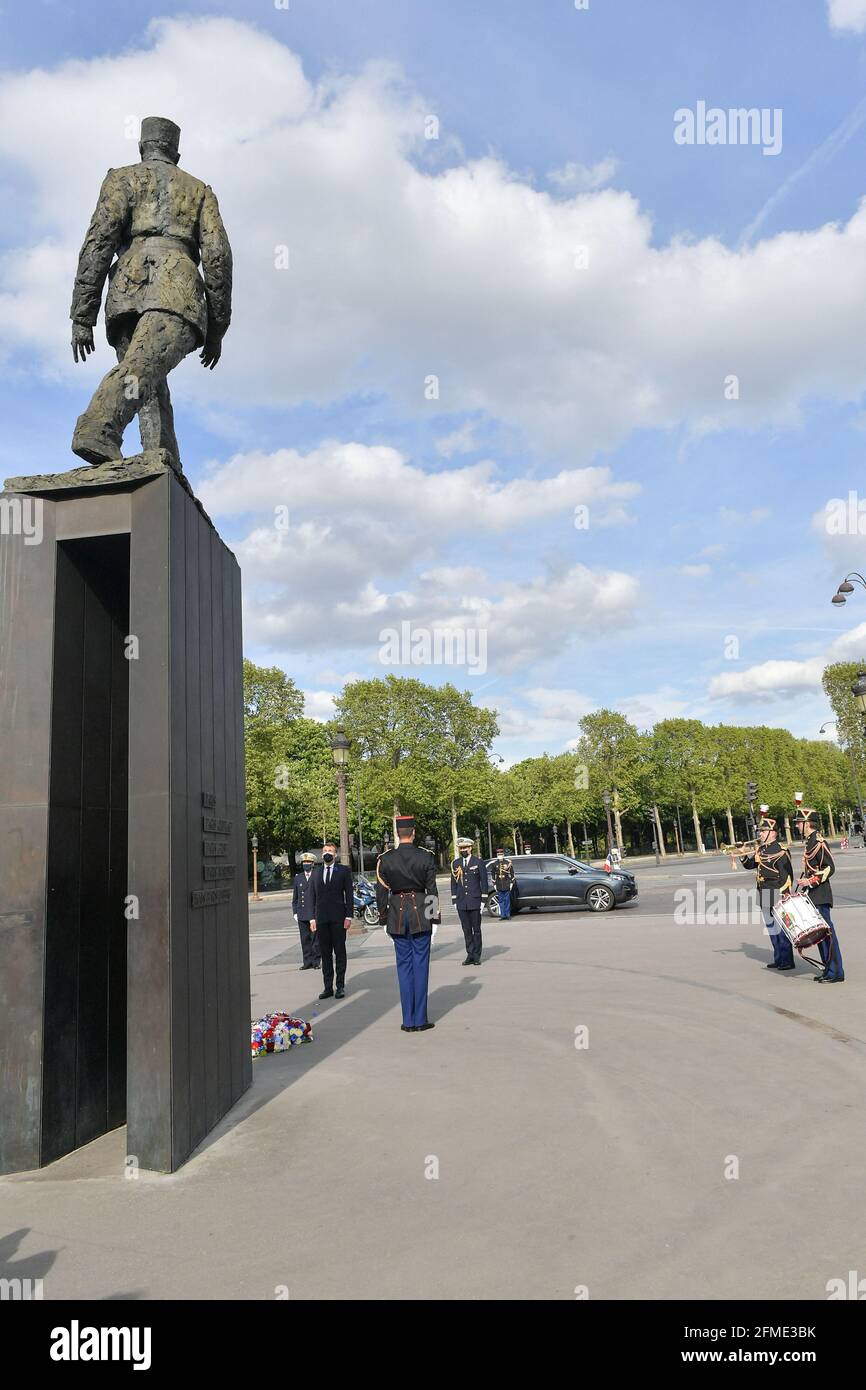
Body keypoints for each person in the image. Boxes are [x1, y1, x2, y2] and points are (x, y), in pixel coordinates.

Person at [69, 116, 232, 467]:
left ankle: (163, 459)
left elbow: (98, 243)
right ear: (176, 151)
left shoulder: (121, 179)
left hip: (126, 291)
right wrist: (217, 328)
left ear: (143, 146)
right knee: (143, 369)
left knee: (147, 377)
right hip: (177, 290)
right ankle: (98, 427)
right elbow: (217, 256)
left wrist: (83, 316)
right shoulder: (199, 190)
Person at [376, 815, 440, 1032]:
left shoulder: (385, 859)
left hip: (397, 915)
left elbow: (381, 892)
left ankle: (408, 1020)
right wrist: (434, 918)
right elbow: (431, 890)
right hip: (421, 914)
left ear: (396, 834)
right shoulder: (426, 857)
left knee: (404, 968)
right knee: (420, 967)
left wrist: (384, 918)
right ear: (413, 832)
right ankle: (420, 1019)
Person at [795, 808, 845, 983]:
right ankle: (828, 969)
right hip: (813, 895)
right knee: (820, 936)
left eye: (799, 822)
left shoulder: (818, 842)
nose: (797, 825)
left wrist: (811, 881)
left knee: (827, 935)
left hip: (821, 894)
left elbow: (829, 868)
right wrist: (805, 881)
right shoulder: (810, 841)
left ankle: (836, 972)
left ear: (807, 824)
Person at [740, 818, 794, 971]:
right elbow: (751, 865)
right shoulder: (761, 849)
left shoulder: (781, 850)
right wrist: (743, 854)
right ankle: (778, 958)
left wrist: (782, 895)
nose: (761, 834)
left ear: (772, 833)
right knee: (771, 929)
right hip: (763, 892)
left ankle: (787, 960)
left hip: (776, 892)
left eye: (763, 831)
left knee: (781, 929)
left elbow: (787, 876)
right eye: (760, 831)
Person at [310, 842, 353, 999]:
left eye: (330, 851)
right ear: (322, 854)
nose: (327, 853)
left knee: (339, 952)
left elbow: (349, 894)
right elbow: (312, 896)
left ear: (335, 855)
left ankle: (340, 986)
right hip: (321, 919)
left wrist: (349, 916)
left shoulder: (343, 871)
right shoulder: (317, 872)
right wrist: (312, 918)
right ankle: (328, 987)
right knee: (325, 953)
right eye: (325, 851)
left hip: (338, 918)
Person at [451, 835, 490, 965]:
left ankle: (477, 956)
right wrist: (454, 900)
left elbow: (484, 882)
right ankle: (470, 954)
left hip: (475, 901)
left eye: (465, 848)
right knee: (466, 930)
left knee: (476, 930)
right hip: (462, 902)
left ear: (471, 848)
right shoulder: (455, 863)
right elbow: (454, 883)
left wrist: (483, 900)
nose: (463, 850)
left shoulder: (478, 862)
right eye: (461, 848)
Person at [291, 852, 321, 972]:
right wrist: (295, 912)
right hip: (302, 913)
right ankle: (307, 962)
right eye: (304, 862)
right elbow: (295, 897)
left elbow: (319, 897)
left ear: (313, 864)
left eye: (308, 862)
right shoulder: (298, 877)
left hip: (314, 913)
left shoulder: (317, 876)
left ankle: (316, 961)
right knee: (305, 939)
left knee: (315, 939)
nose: (306, 864)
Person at [491, 848, 515, 920]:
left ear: (503, 854)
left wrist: (511, 883)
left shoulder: (508, 863)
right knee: (501, 901)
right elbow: (493, 874)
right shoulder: (494, 864)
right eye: (498, 854)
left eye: (501, 854)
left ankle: (507, 915)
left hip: (506, 883)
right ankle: (502, 915)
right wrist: (494, 884)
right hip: (499, 883)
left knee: (507, 900)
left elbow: (512, 873)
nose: (500, 856)